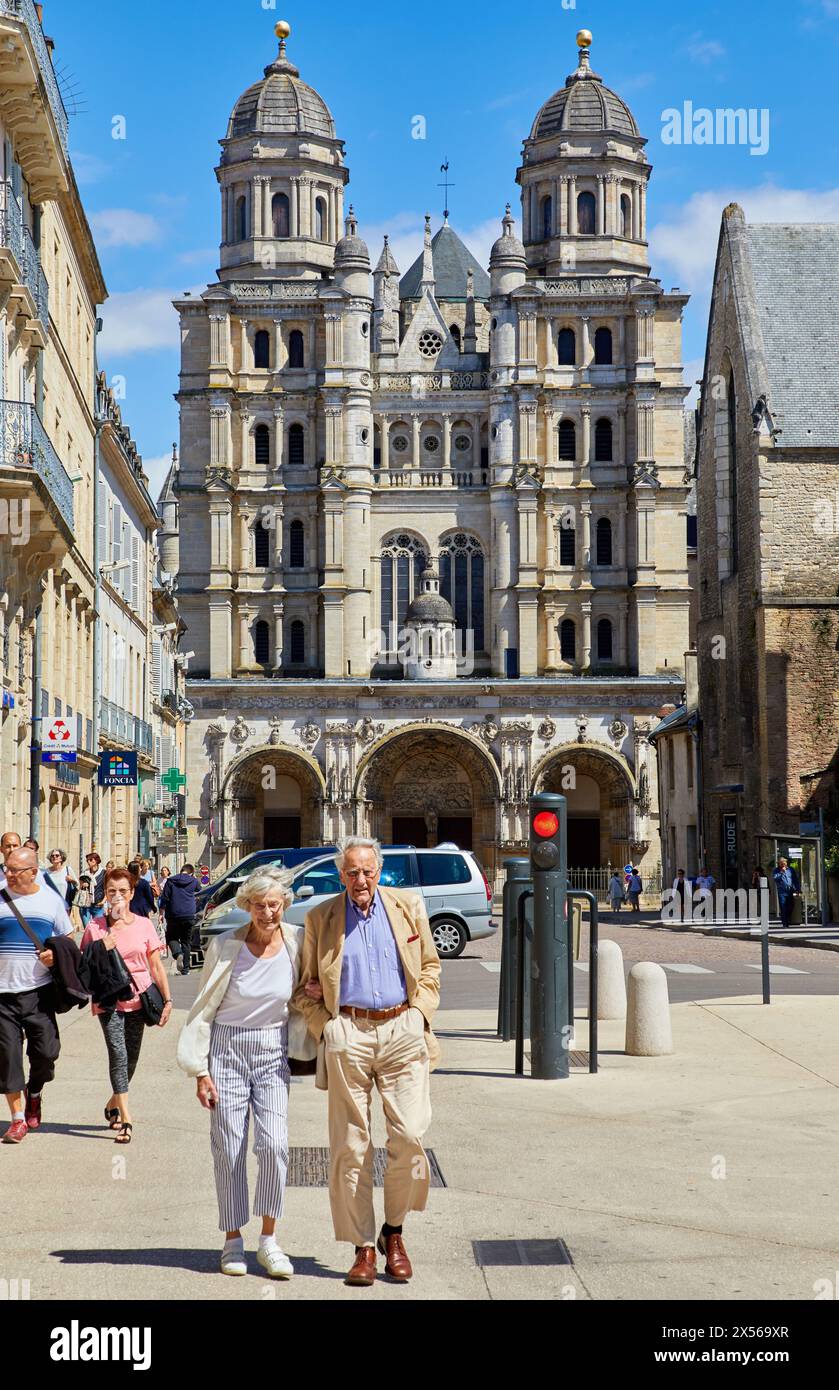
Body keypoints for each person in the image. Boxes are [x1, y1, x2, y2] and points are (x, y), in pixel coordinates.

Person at [294, 836, 441, 1287]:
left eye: (368, 871)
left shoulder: (407, 906)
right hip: (348, 1033)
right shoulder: (322, 917)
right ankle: (362, 1247)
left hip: (401, 1028)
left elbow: (431, 968)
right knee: (350, 1147)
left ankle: (393, 1231)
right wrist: (327, 1027)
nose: (361, 880)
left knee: (411, 1137)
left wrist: (418, 1015)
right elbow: (304, 989)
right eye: (352, 872)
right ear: (341, 875)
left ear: (380, 872)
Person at [178, 867, 316, 1278]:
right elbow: (203, 1009)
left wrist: (315, 992)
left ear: (284, 905)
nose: (267, 912)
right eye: (259, 905)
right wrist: (200, 1071)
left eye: (274, 904)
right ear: (247, 907)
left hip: (273, 1048)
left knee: (274, 1145)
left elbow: (313, 984)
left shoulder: (298, 942)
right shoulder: (225, 946)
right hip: (227, 1048)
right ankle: (233, 1240)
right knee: (229, 1145)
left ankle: (269, 1240)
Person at [81, 866, 172, 1145]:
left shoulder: (144, 924)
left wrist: (167, 1000)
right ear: (105, 896)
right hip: (108, 1001)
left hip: (139, 998)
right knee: (118, 1055)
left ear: (132, 893)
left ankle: (113, 1102)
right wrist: (101, 946)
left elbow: (156, 965)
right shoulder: (95, 927)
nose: (117, 896)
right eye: (111, 892)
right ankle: (127, 1118)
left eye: (122, 891)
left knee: (131, 1060)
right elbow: (83, 966)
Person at [0, 847, 74, 1143]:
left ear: (32, 871)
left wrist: (55, 957)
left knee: (45, 1052)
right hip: (2, 993)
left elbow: (67, 939)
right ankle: (17, 1119)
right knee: (7, 1058)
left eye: (13, 870)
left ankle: (35, 1091)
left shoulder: (50, 901)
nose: (7, 874)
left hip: (39, 992)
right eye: (5, 868)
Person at [159, 863, 200, 975]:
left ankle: (178, 954)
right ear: (191, 872)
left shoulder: (171, 881)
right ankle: (185, 970)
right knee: (186, 942)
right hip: (189, 914)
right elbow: (199, 888)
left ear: (181, 870)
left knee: (171, 937)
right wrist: (194, 878)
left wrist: (161, 913)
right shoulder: (193, 881)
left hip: (173, 915)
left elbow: (165, 898)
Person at [773, 857, 801, 929]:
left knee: (790, 906)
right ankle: (785, 923)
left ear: (786, 863)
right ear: (779, 864)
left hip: (790, 891)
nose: (783, 865)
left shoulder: (791, 869)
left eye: (784, 863)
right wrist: (781, 872)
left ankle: (787, 920)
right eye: (781, 864)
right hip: (782, 892)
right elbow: (775, 879)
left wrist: (798, 889)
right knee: (783, 907)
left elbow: (795, 880)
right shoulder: (776, 870)